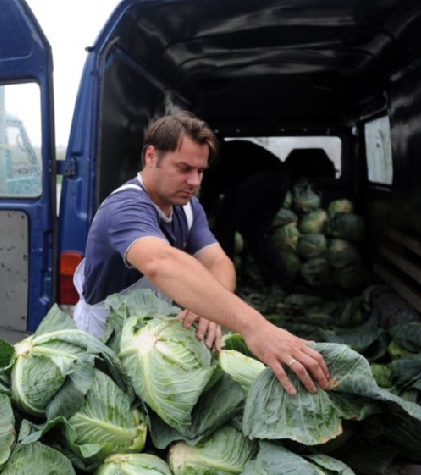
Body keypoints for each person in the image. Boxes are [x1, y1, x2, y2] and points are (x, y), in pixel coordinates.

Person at [73, 112, 329, 395]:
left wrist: (209, 308)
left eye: (201, 171)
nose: (195, 181)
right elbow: (161, 263)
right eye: (184, 168)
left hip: (154, 337)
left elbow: (219, 261)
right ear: (150, 156)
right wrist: (256, 327)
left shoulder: (188, 208)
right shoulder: (125, 208)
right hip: (108, 338)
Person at [199, 139, 292, 289]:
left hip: (255, 180)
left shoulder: (211, 158)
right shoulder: (235, 147)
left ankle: (225, 282)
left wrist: (200, 215)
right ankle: (279, 281)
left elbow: (210, 192)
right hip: (280, 179)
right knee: (255, 233)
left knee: (224, 228)